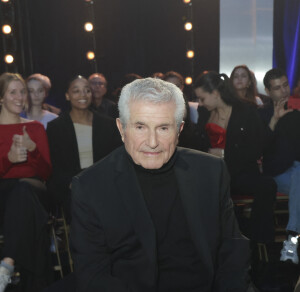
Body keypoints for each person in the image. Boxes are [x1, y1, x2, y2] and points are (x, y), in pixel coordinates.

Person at [70, 77, 251, 292]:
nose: (152, 142)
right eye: (140, 127)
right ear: (121, 128)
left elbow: (232, 252)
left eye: (163, 128)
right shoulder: (91, 186)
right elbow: (93, 275)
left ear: (179, 130)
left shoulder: (211, 172)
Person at [194, 71, 277, 243]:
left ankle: (257, 240)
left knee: (267, 185)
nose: (200, 103)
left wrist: (224, 153)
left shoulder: (245, 111)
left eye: (202, 98)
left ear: (215, 93)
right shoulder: (204, 113)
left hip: (240, 172)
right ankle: (214, 241)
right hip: (213, 174)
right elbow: (198, 146)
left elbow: (256, 147)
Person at [0, 73, 52, 292]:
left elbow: (47, 172)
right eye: (13, 92)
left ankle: (7, 264)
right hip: (4, 192)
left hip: (33, 187)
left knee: (24, 189)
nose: (20, 97)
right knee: (19, 194)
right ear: (1, 97)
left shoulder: (35, 128)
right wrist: (8, 159)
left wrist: (33, 149)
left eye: (22, 91)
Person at [46, 76, 122, 221]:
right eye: (76, 91)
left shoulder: (108, 125)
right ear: (67, 96)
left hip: (103, 186)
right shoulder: (56, 127)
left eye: (87, 90)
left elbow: (116, 160)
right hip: (72, 189)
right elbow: (54, 166)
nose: (82, 95)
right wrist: (72, 184)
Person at [259, 68, 300, 264]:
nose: (283, 91)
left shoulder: (296, 111)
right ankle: (292, 239)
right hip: (274, 174)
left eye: (285, 85)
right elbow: (258, 148)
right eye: (277, 88)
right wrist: (274, 119)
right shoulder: (261, 113)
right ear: (268, 91)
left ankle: (292, 240)